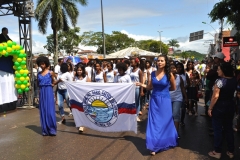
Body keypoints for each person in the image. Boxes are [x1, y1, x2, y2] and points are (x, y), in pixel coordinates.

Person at [136, 55, 178, 156]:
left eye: (162, 61)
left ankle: (162, 142)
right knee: (154, 122)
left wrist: (163, 92)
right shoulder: (153, 73)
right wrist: (141, 84)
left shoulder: (170, 75)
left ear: (165, 62)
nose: (159, 62)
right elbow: (150, 87)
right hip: (154, 100)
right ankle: (154, 145)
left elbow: (173, 88)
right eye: (158, 61)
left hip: (165, 101)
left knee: (164, 123)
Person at [208, 62, 236, 159]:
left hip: (220, 106)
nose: (217, 71)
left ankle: (217, 151)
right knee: (228, 129)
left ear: (223, 71)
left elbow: (215, 96)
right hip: (230, 106)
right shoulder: (234, 80)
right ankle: (231, 151)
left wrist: (210, 108)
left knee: (218, 129)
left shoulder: (220, 81)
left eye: (219, 69)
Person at [36, 56, 57, 136]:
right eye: (40, 64)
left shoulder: (50, 72)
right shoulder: (38, 74)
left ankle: (52, 129)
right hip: (42, 92)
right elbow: (37, 84)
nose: (42, 65)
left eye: (43, 63)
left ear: (46, 63)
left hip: (48, 91)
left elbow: (54, 82)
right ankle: (45, 130)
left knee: (50, 110)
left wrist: (51, 84)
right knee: (43, 110)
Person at [170, 63, 188, 138]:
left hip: (177, 98)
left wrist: (186, 97)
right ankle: (169, 132)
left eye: (174, 68)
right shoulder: (165, 77)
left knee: (175, 114)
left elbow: (182, 88)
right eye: (171, 68)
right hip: (167, 98)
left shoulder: (179, 77)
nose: (173, 69)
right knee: (169, 115)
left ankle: (176, 133)